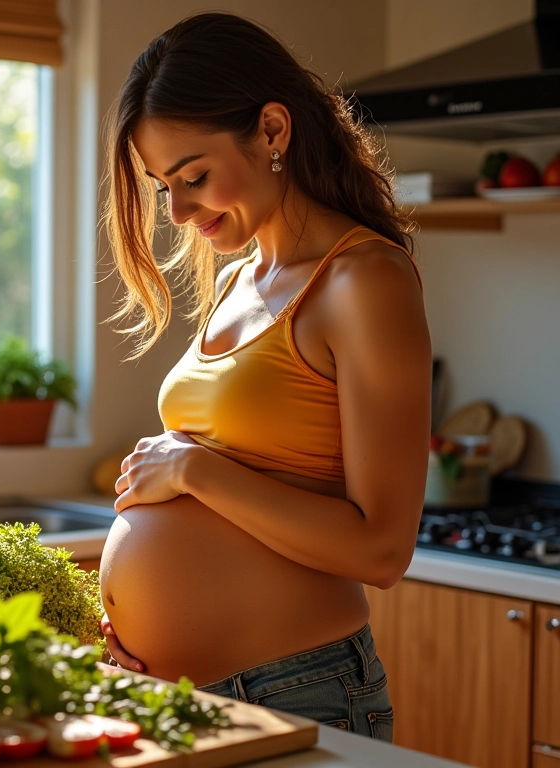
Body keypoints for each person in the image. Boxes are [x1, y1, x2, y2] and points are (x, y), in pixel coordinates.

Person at [98, 11, 431, 742]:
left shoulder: (363, 281)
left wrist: (191, 469)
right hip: (174, 695)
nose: (178, 211)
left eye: (194, 177)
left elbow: (382, 549)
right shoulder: (239, 279)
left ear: (273, 131)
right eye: (163, 186)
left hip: (296, 691)